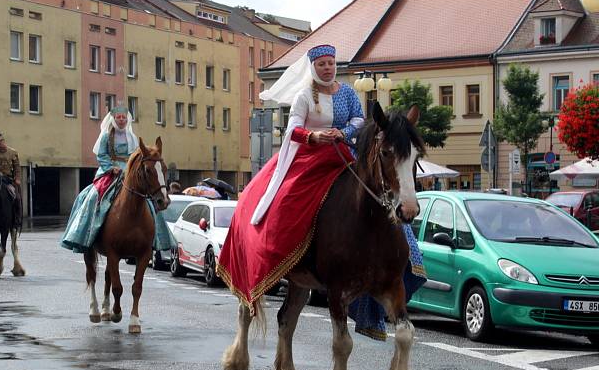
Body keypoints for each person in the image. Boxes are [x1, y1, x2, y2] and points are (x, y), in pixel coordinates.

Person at [217, 45, 425, 340]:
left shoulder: (349, 93)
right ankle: (284, 250)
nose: (328, 68)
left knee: (380, 197)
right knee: (290, 200)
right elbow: (293, 130)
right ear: (313, 67)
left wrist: (344, 132)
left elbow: (358, 119)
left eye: (331, 63)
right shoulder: (304, 95)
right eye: (322, 64)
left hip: (345, 152)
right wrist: (315, 136)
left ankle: (402, 257)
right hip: (310, 157)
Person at [61, 105, 174, 254]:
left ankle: (157, 238)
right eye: (118, 117)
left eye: (124, 117)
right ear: (113, 119)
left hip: (128, 170)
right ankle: (85, 234)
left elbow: (136, 157)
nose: (121, 120)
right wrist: (110, 167)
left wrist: (131, 169)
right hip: (109, 170)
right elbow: (101, 155)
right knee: (94, 195)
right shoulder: (106, 136)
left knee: (148, 199)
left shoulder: (132, 137)